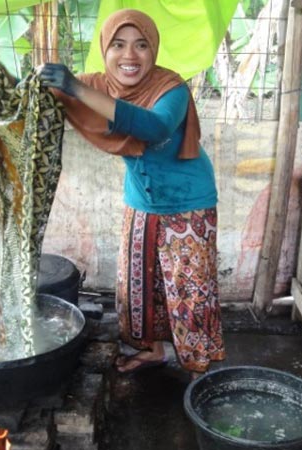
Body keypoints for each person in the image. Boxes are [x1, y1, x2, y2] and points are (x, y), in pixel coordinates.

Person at [40, 8, 225, 379]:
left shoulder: (170, 88)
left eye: (141, 45)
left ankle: (199, 372)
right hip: (140, 201)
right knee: (140, 286)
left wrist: (75, 88)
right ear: (105, 50)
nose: (130, 55)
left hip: (188, 203)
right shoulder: (100, 86)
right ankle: (153, 351)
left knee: (188, 289)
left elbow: (153, 128)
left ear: (153, 49)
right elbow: (42, 99)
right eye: (119, 45)